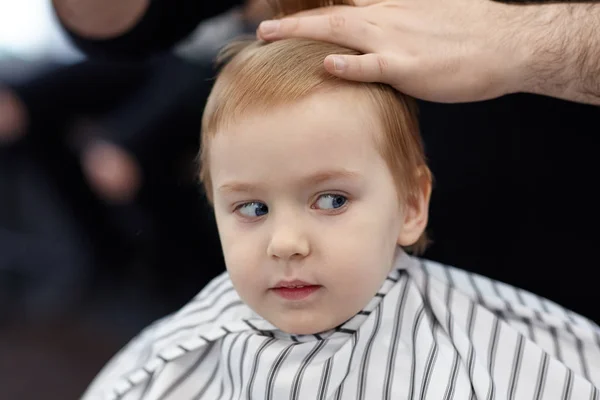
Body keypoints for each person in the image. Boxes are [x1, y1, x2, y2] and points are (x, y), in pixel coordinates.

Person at [81, 1, 600, 399]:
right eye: (252, 209)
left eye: (330, 200)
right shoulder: (170, 360)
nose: (285, 244)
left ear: (413, 204)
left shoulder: (516, 353)